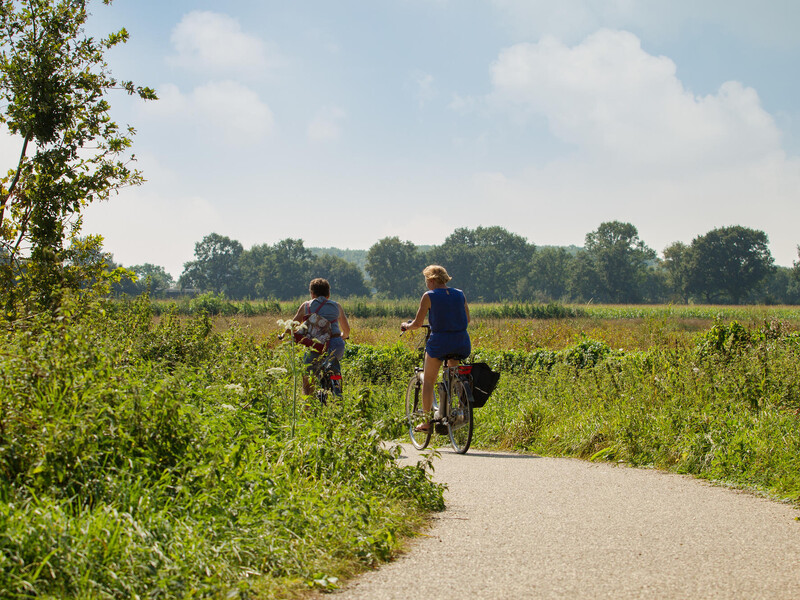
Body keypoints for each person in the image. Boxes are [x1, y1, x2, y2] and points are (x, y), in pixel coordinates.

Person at [400, 265, 471, 431]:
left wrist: (406, 325)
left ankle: (426, 421)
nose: (426, 284)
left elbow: (417, 324)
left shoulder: (429, 296)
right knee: (454, 372)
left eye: (426, 280)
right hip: (461, 341)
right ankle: (461, 407)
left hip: (440, 343)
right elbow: (467, 319)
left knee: (429, 381)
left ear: (431, 280)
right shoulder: (460, 294)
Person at [291, 278, 351, 396]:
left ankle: (308, 406)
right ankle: (337, 393)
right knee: (333, 366)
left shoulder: (306, 306)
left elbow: (291, 326)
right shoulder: (336, 306)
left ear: (312, 293)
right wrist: (342, 337)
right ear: (328, 294)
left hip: (316, 346)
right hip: (336, 345)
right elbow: (347, 330)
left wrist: (285, 334)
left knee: (308, 376)